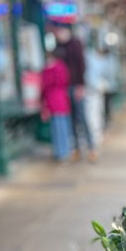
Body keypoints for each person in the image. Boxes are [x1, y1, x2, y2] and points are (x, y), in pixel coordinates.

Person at [55, 25, 97, 162]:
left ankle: (91, 149)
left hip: (75, 86)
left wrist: (80, 85)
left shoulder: (76, 45)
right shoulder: (59, 47)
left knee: (82, 118)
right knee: (71, 119)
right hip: (63, 88)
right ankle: (77, 149)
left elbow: (81, 66)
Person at [40, 47, 72, 162]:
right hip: (63, 100)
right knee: (63, 127)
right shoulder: (62, 67)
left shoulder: (49, 70)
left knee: (57, 128)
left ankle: (61, 152)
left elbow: (44, 85)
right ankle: (65, 150)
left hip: (53, 101)